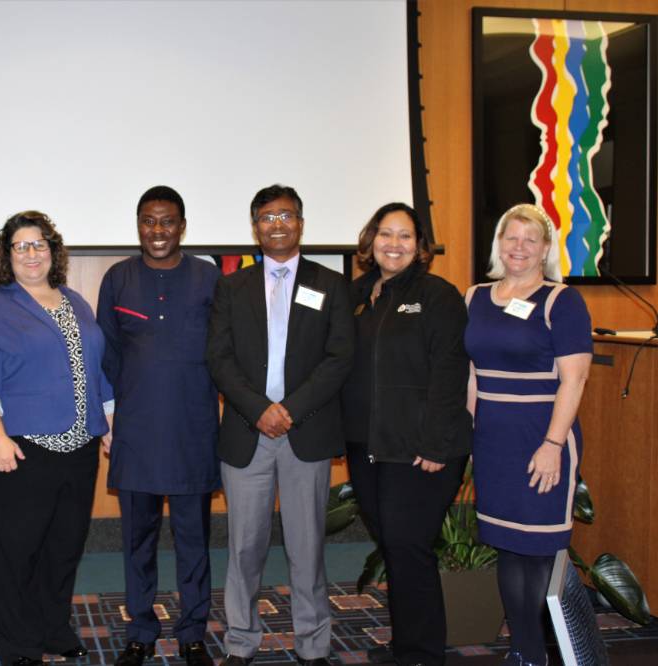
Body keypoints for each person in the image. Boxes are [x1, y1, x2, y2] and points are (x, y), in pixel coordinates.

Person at [206, 184, 354, 666]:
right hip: (248, 433)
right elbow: (220, 358)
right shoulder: (232, 286)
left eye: (286, 215)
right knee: (244, 548)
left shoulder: (330, 284)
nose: (277, 224)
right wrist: (259, 409)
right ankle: (241, 642)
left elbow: (339, 358)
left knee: (307, 549)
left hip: (304, 433)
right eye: (267, 217)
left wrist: (288, 409)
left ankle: (313, 645)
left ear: (301, 223)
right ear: (255, 226)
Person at [0, 211, 115, 666]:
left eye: (39, 245)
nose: (31, 254)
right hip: (19, 450)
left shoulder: (75, 303)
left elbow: (96, 371)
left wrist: (108, 427)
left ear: (53, 250)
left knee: (63, 548)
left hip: (79, 449)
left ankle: (52, 628)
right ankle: (18, 642)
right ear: (7, 257)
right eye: (21, 246)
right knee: (15, 554)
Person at [341, 203, 471, 666]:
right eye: (385, 234)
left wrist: (435, 443)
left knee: (408, 548)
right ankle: (407, 645)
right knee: (395, 548)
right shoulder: (355, 293)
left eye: (405, 236)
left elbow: (450, 371)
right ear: (370, 239)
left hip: (421, 450)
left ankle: (420, 654)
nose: (393, 244)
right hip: (366, 446)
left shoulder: (438, 295)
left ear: (420, 246)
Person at [97, 186, 220, 666]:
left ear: (182, 226)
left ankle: (192, 632)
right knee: (137, 541)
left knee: (193, 540)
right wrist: (108, 419)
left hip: (193, 430)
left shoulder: (209, 278)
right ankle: (140, 631)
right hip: (137, 432)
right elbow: (105, 353)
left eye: (167, 221)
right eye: (149, 221)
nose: (158, 230)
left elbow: (225, 352)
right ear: (138, 225)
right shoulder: (118, 278)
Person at [464, 204, 592, 666]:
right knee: (507, 546)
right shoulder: (475, 296)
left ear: (544, 249)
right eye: (510, 237)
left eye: (529, 240)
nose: (518, 247)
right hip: (493, 438)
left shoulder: (562, 300)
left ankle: (532, 652)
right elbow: (473, 375)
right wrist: (469, 437)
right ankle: (521, 647)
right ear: (499, 243)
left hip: (542, 437)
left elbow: (574, 380)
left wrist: (553, 445)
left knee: (537, 548)